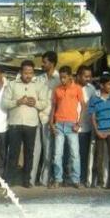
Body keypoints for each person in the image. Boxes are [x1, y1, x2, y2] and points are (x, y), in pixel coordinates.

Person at [3, 60, 48, 187]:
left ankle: (26, 180)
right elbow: (4, 103)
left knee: (29, 153)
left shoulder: (39, 85)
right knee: (13, 153)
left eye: (31, 73)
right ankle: (10, 179)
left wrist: (36, 103)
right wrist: (18, 102)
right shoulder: (12, 85)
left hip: (31, 124)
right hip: (15, 123)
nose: (28, 75)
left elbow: (44, 103)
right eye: (25, 72)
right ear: (20, 72)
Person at [50, 66, 85, 188]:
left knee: (74, 154)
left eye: (65, 77)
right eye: (61, 77)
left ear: (70, 76)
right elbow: (53, 107)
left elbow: (83, 107)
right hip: (59, 124)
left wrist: (78, 124)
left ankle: (76, 180)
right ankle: (57, 179)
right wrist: (51, 123)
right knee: (57, 154)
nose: (62, 80)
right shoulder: (57, 89)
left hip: (72, 125)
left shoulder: (77, 89)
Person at [89, 74, 110, 189]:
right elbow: (92, 117)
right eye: (109, 84)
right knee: (99, 157)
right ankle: (99, 182)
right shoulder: (94, 98)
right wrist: (97, 131)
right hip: (100, 131)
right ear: (101, 85)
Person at [32, 51, 60, 187]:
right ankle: (31, 179)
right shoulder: (39, 79)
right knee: (35, 149)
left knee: (49, 150)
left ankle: (45, 179)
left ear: (52, 63)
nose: (42, 65)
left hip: (51, 118)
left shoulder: (60, 79)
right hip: (37, 116)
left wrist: (54, 119)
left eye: (45, 62)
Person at [76, 65, 97, 188]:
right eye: (85, 76)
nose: (88, 79)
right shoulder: (72, 87)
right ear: (78, 76)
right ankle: (70, 177)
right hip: (72, 126)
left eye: (89, 76)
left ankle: (82, 178)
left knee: (83, 155)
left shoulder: (92, 89)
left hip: (86, 127)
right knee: (71, 154)